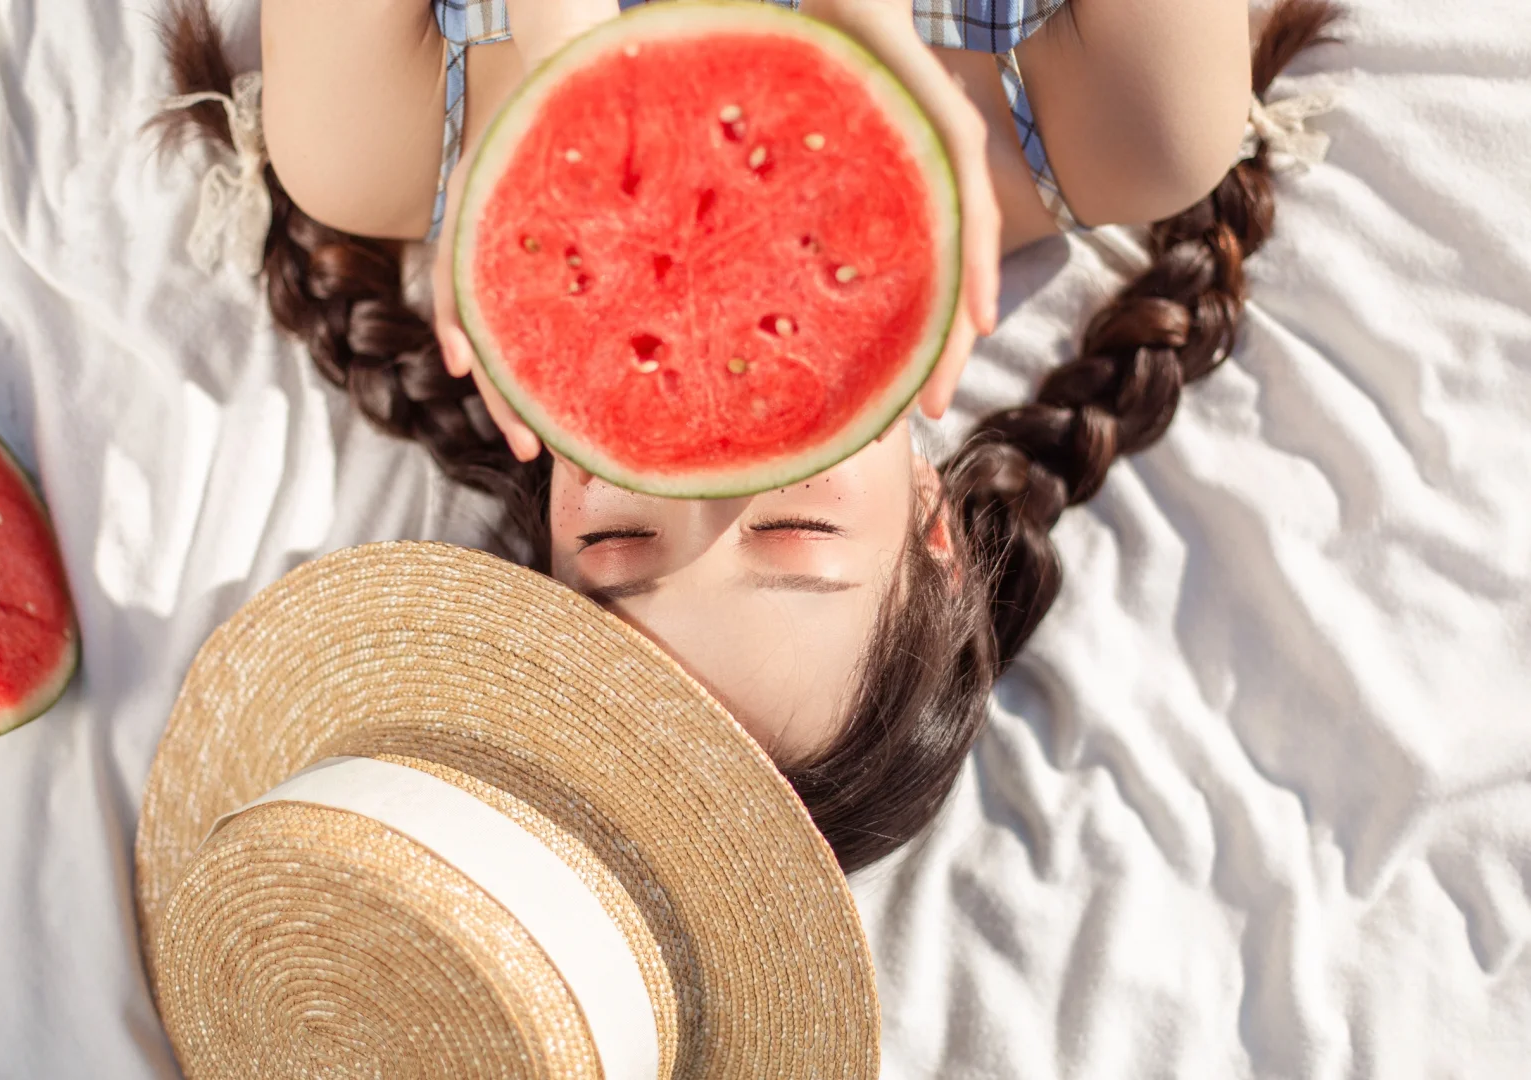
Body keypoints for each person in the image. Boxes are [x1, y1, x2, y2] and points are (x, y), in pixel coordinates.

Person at [154, 0, 1341, 872]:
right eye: (792, 520)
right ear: (933, 518)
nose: (707, 452)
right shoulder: (1135, 124)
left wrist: (570, 67)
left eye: (621, 538)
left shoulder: (363, 143)